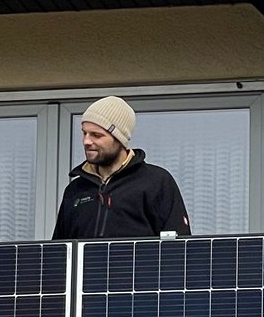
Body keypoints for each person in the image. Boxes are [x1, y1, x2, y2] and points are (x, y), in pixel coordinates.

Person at [52, 96, 192, 240]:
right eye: (84, 133)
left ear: (120, 138)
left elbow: (179, 250)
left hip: (142, 263)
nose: (87, 141)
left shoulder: (156, 182)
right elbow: (58, 255)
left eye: (97, 135)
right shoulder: (75, 190)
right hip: (84, 264)